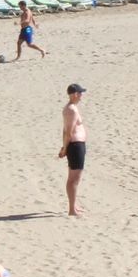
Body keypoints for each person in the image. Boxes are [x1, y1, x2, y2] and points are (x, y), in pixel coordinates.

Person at [58, 83, 87, 216]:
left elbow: (65, 131)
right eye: (80, 93)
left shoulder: (72, 108)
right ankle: (71, 209)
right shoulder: (71, 110)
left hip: (76, 145)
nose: (81, 96)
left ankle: (74, 205)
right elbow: (68, 132)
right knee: (74, 179)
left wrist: (64, 147)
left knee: (75, 178)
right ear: (74, 94)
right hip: (75, 146)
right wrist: (64, 148)